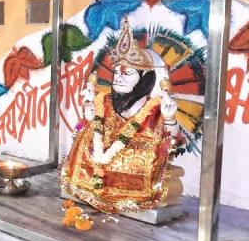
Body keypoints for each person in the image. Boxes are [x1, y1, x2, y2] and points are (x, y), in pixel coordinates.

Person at [61, 18, 181, 214]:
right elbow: (90, 127)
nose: (118, 77)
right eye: (116, 72)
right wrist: (89, 109)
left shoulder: (154, 108)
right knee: (89, 138)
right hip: (97, 166)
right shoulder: (104, 101)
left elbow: (172, 138)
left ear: (146, 79)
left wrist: (169, 119)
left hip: (134, 175)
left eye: (128, 73)